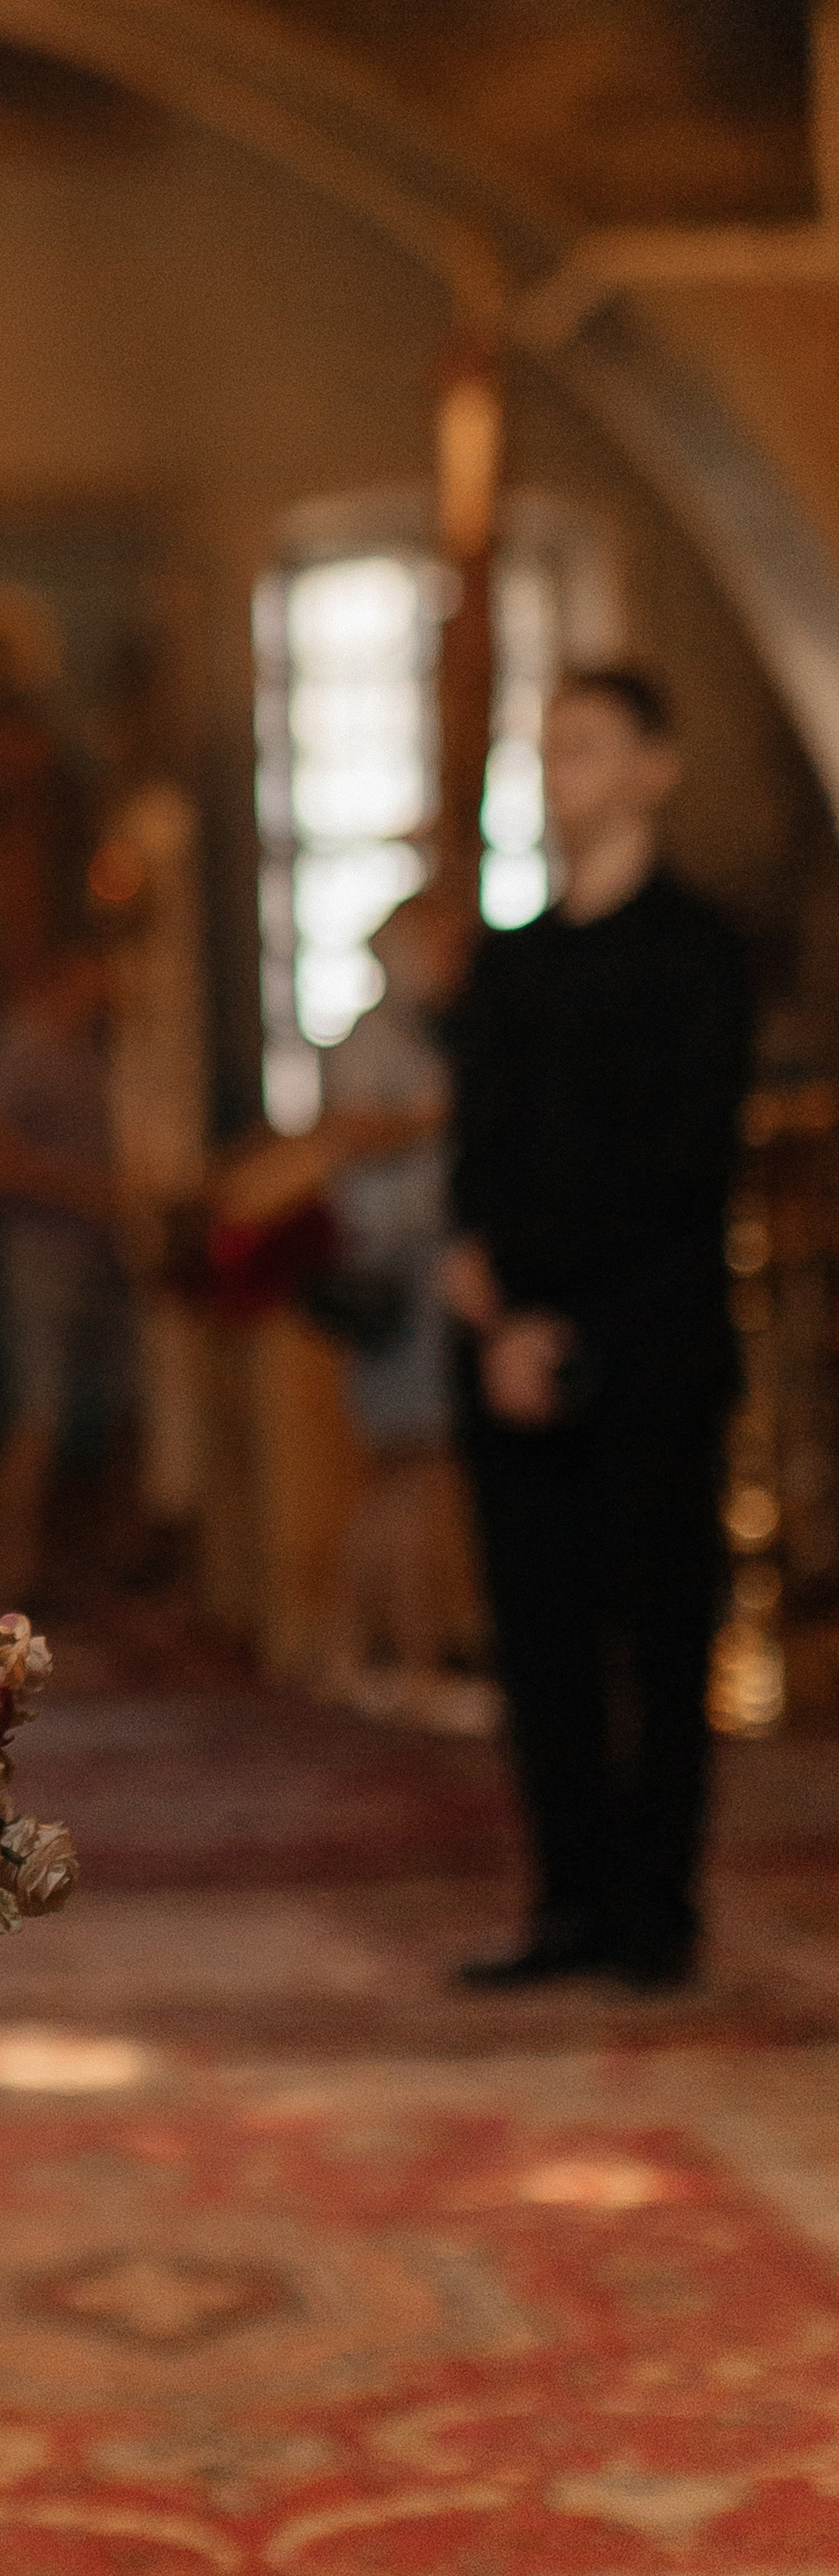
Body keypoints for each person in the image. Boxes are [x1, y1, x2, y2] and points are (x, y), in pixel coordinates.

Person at [447, 667, 753, 1991]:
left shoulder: (704, 952)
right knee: (542, 1639)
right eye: (547, 748)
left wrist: (566, 1324)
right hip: (509, 1353)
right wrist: (499, 1315)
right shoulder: (513, 962)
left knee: (660, 1631)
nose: (558, 771)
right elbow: (481, 1160)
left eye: (585, 746)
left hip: (651, 1345)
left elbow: (683, 1164)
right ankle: (567, 1899)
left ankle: (657, 1911)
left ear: (654, 768)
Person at [317, 890, 485, 1721]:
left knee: (402, 1476)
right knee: (408, 1470)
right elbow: (346, 1129)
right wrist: (439, 1119)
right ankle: (412, 1667)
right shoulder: (371, 1041)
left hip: (426, 1272)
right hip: (393, 1276)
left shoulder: (430, 1037)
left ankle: (352, 1655)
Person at [0, 940, 134, 1612]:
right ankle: (14, 1565)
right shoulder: (16, 1048)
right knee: (40, 1407)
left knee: (113, 1403)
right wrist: (84, 1190)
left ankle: (104, 1552)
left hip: (95, 1254)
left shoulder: (84, 1048)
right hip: (40, 1254)